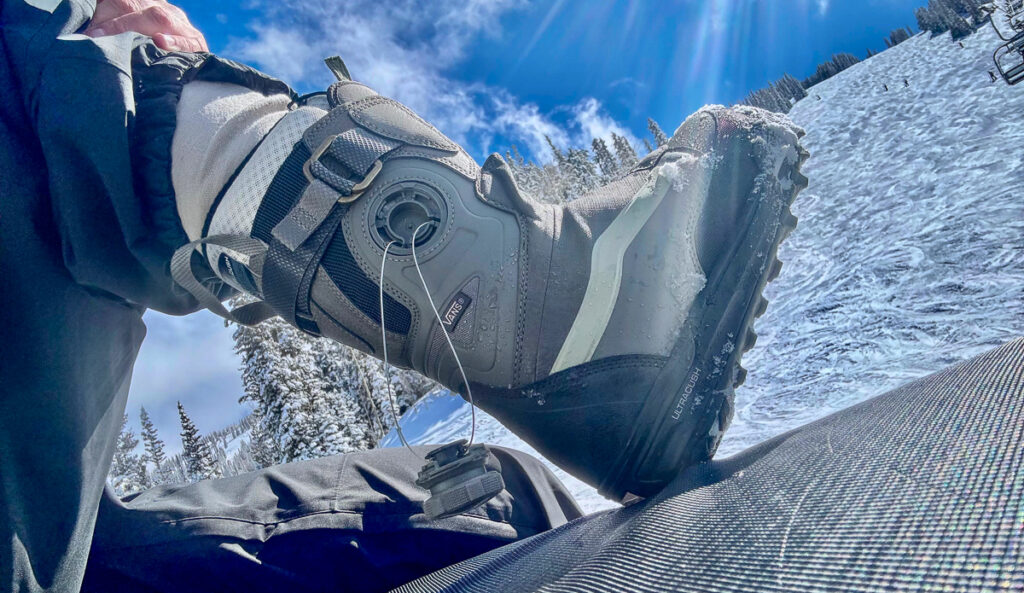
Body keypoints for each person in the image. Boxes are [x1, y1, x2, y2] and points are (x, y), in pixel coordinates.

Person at [0, 0, 805, 591]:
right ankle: (540, 301)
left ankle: (573, 361)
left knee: (497, 508)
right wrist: (117, 53)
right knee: (55, 48)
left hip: (60, 548)